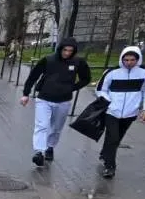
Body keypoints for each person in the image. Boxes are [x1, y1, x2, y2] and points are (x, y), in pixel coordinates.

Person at [20, 37, 92, 167]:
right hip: (44, 98)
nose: (67, 53)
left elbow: (86, 79)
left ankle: (50, 147)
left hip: (63, 101)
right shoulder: (48, 60)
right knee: (42, 125)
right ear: (60, 49)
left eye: (70, 51)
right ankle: (39, 152)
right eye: (65, 50)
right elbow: (33, 76)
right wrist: (26, 93)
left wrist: (72, 88)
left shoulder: (78, 62)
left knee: (56, 128)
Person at [94, 45, 145, 178]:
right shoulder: (112, 73)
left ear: (138, 59)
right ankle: (110, 166)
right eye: (126, 60)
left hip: (130, 112)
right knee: (113, 137)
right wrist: (108, 102)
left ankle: (105, 153)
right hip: (112, 111)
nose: (129, 63)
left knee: (117, 138)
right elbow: (101, 89)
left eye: (132, 60)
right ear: (122, 59)